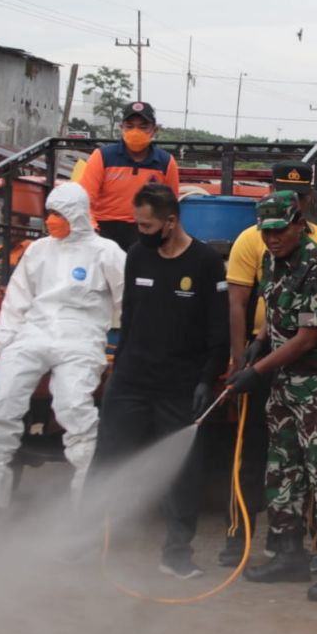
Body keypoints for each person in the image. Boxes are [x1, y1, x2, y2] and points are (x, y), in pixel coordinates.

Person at [87, 183, 228, 579]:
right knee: (106, 461)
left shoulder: (204, 262)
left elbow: (217, 330)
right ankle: (87, 540)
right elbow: (129, 317)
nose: (139, 233)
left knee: (181, 470)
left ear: (170, 222)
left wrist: (206, 378)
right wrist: (117, 369)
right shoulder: (136, 256)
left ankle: (177, 552)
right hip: (131, 379)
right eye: (137, 224)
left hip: (178, 384)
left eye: (146, 226)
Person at [0, 183, 126, 519]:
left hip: (81, 337)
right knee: (3, 400)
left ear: (77, 215)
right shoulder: (39, 250)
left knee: (74, 406)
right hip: (34, 332)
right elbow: (18, 300)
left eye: (59, 214)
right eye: (50, 213)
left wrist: (132, 342)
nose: (52, 220)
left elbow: (129, 303)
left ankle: (86, 495)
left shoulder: (106, 252)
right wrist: (1, 338)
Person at [239, 191, 317, 600]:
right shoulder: (274, 261)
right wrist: (258, 341)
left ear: (298, 222)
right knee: (282, 469)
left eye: (278, 230)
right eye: (264, 231)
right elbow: (274, 312)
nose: (271, 239)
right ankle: (287, 555)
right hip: (284, 383)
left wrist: (256, 370)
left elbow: (307, 338)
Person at [218, 162, 317, 566]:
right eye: (287, 192)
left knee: (311, 465)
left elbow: (312, 329)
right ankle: (243, 538)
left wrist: (258, 364)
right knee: (259, 458)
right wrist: (245, 354)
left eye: (301, 197)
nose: (272, 236)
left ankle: (309, 550)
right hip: (266, 365)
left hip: (308, 373)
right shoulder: (257, 243)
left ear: (305, 207)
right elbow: (243, 301)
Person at [78, 101, 180, 250]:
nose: (136, 131)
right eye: (130, 126)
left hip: (146, 231)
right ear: (122, 128)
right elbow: (84, 199)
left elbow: (171, 206)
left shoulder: (165, 162)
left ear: (155, 129)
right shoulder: (102, 157)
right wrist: (93, 231)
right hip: (103, 229)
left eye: (143, 127)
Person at [0, 212, 35, 282]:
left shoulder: (33, 250)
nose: (5, 230)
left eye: (11, 227)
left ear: (27, 227)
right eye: (3, 226)